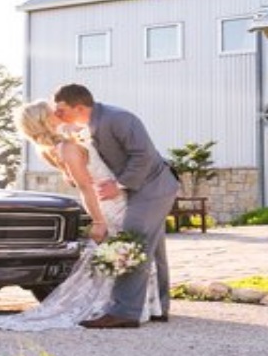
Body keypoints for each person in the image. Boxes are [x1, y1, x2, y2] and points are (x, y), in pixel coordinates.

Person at [0, 100, 163, 331]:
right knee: (126, 249)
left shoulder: (64, 145)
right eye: (52, 111)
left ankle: (139, 306)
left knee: (131, 249)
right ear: (45, 120)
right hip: (110, 202)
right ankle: (116, 307)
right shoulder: (67, 148)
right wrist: (98, 221)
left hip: (116, 196)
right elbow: (85, 187)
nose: (59, 112)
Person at [50, 83, 180, 329]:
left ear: (78, 107)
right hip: (141, 186)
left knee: (133, 239)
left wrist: (118, 185)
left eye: (61, 110)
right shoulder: (89, 125)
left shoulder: (119, 118)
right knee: (155, 248)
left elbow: (143, 155)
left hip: (154, 185)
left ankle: (124, 312)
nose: (58, 115)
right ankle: (160, 308)